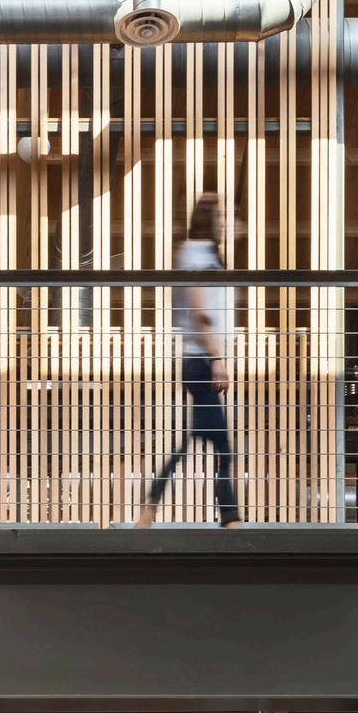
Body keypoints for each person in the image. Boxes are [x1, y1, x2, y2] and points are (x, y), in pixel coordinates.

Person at [137, 193, 241, 529]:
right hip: (201, 360)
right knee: (219, 446)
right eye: (224, 217)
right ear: (211, 219)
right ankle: (230, 519)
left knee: (198, 441)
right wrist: (217, 358)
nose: (229, 224)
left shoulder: (206, 253)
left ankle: (151, 507)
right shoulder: (194, 252)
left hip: (201, 359)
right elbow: (199, 310)